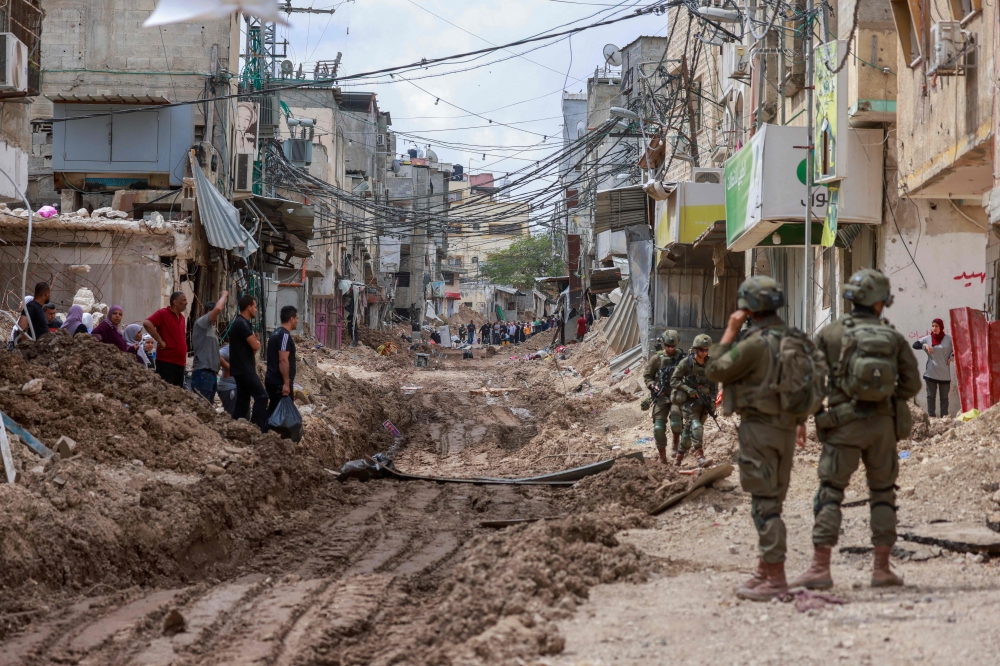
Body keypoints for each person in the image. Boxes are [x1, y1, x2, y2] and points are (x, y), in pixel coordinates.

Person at [791, 269, 922, 591]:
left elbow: (811, 383)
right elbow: (913, 384)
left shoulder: (831, 333)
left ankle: (820, 568)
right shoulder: (891, 336)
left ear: (851, 298)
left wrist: (805, 417)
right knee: (882, 494)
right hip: (882, 428)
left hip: (842, 426)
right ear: (880, 302)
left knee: (831, 492)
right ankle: (881, 570)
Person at [704, 276, 809, 602]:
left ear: (749, 308)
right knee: (773, 499)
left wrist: (731, 330)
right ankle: (764, 570)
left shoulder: (753, 343)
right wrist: (802, 420)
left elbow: (717, 370)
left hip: (759, 429)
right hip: (787, 428)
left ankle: (775, 578)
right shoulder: (796, 338)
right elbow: (805, 381)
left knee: (764, 506)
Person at [669, 334, 716, 467]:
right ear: (696, 349)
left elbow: (714, 386)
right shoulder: (686, 363)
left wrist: (712, 402)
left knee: (688, 432)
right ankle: (700, 457)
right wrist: (687, 389)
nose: (705, 352)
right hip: (688, 402)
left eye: (707, 350)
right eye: (702, 350)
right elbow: (674, 380)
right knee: (697, 428)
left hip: (703, 402)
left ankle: (678, 459)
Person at [643, 330, 686, 465]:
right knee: (658, 428)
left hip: (676, 395)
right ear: (664, 344)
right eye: (667, 346)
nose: (670, 349)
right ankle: (662, 456)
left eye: (673, 346)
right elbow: (647, 376)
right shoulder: (657, 358)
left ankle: (675, 442)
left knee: (676, 422)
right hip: (661, 396)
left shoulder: (682, 358)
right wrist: (653, 385)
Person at [229, 295, 268, 429]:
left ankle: (234, 428)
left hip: (241, 368)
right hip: (244, 368)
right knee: (262, 396)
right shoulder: (241, 324)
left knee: (243, 402)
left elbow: (253, 347)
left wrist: (255, 343)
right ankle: (256, 428)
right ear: (249, 307)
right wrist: (256, 343)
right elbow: (256, 346)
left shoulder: (242, 323)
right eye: (255, 307)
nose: (257, 310)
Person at [143, 292, 189, 387]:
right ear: (175, 302)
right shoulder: (163, 313)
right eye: (184, 300)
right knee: (166, 392)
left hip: (180, 363)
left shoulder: (182, 318)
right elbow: (147, 323)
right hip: (167, 362)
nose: (186, 302)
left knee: (178, 395)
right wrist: (160, 341)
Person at [190, 292, 229, 404]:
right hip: (203, 373)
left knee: (207, 411)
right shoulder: (202, 323)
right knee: (202, 407)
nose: (215, 317)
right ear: (205, 313)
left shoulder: (212, 331)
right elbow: (217, 309)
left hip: (210, 375)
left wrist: (227, 368)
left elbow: (216, 355)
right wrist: (224, 295)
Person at [912, 318, 953, 418]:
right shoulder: (928, 338)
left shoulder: (948, 339)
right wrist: (925, 345)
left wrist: (952, 357)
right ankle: (932, 418)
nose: (934, 328)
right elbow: (915, 345)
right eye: (933, 326)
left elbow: (956, 348)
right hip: (931, 373)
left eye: (936, 326)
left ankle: (944, 419)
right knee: (931, 397)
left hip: (944, 373)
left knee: (944, 398)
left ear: (941, 327)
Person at [265, 305, 298, 427]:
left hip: (273, 380)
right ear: (291, 319)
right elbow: (283, 360)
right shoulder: (284, 335)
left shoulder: (275, 333)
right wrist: (286, 383)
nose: (297, 321)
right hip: (279, 383)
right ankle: (270, 436)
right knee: (281, 418)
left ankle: (265, 434)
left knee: (274, 411)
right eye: (297, 318)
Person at [218, 344, 238, 416]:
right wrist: (230, 368)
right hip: (230, 387)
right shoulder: (232, 347)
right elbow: (217, 355)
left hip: (239, 388)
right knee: (233, 416)